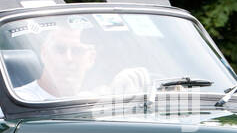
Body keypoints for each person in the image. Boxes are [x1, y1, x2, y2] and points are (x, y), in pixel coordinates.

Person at [11, 22, 151, 102]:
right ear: (44, 53)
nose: (68, 58)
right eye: (59, 49)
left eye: (77, 51)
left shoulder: (96, 97)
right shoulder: (21, 100)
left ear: (90, 58)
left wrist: (132, 78)